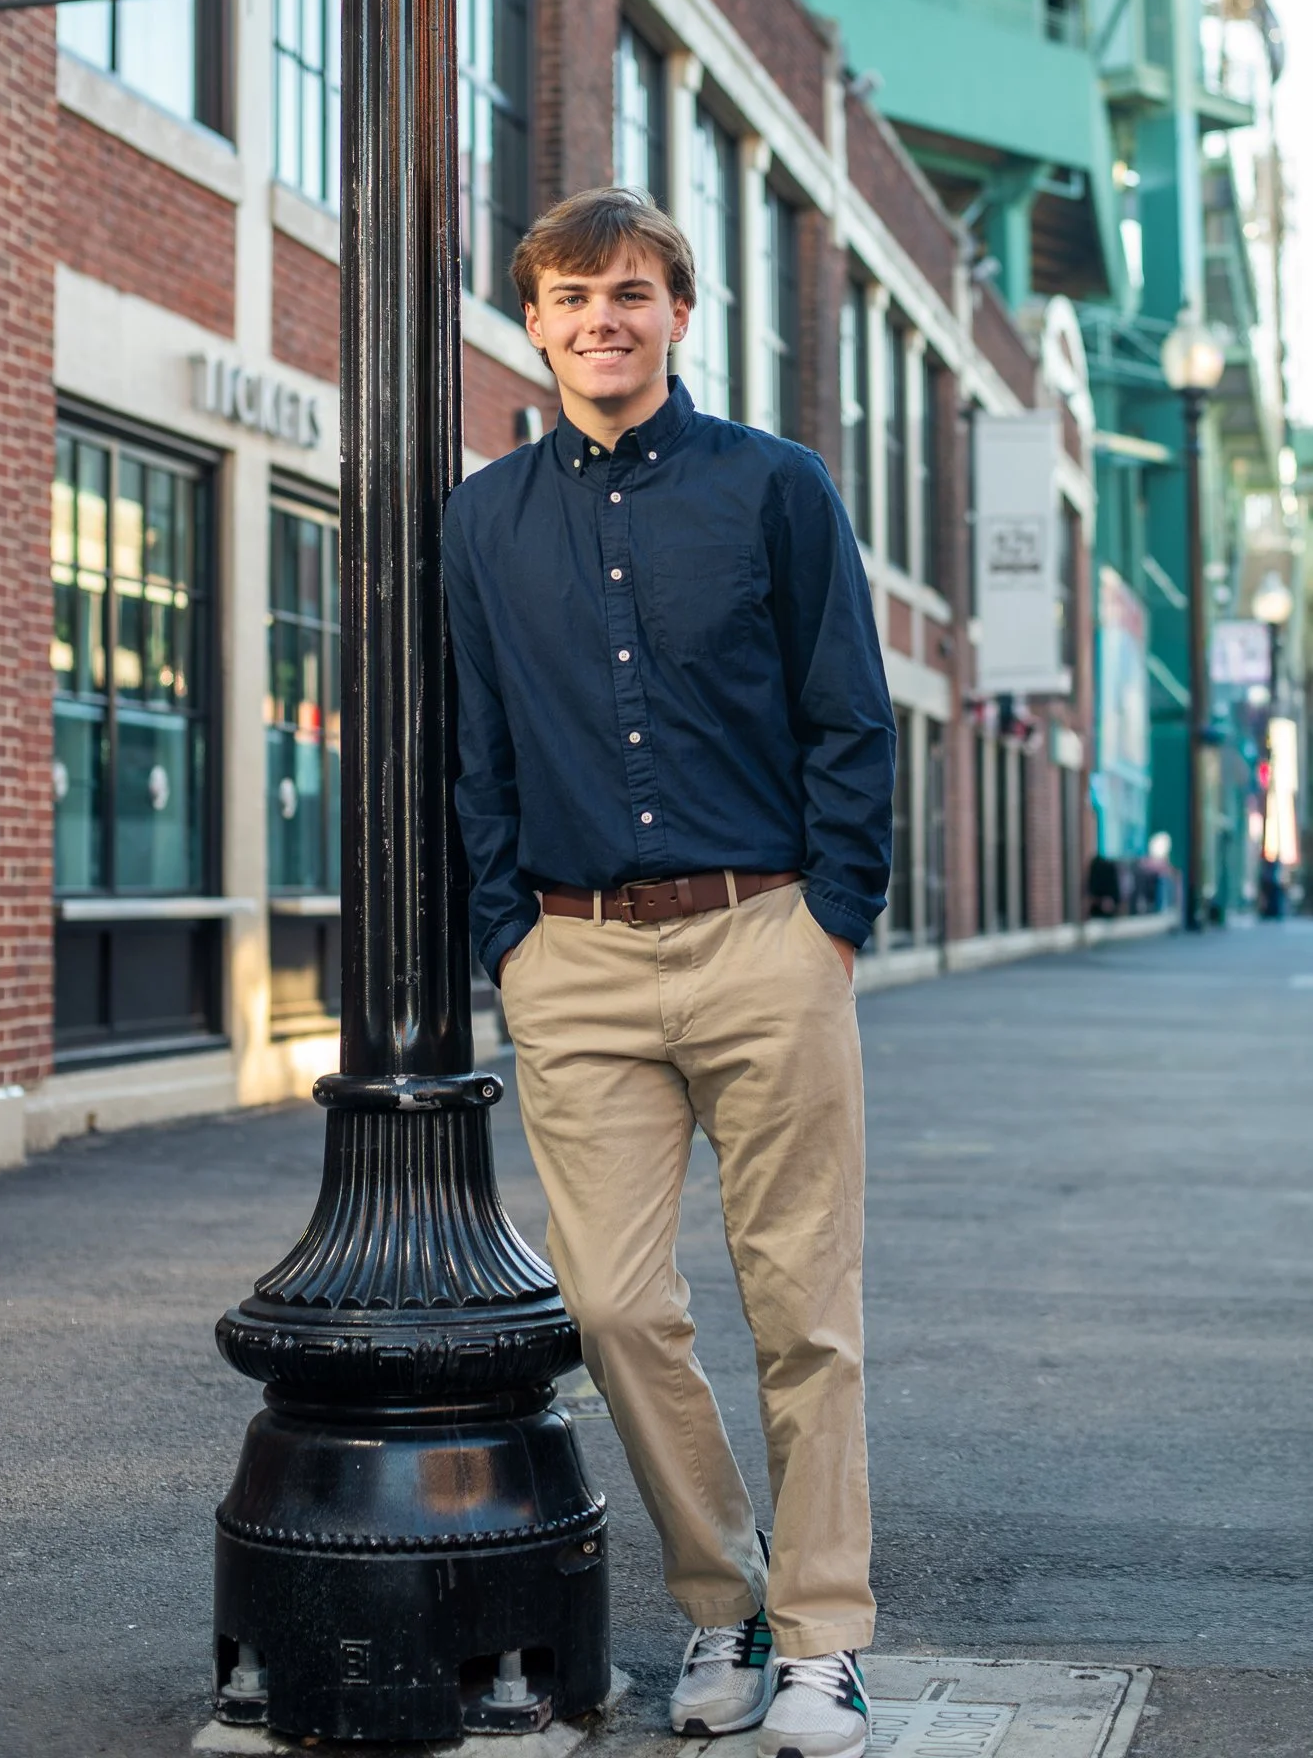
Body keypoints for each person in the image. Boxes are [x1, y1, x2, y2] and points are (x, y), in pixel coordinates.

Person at [441, 188, 895, 1758]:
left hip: (769, 935)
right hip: (575, 959)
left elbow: (850, 711)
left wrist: (835, 912)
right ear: (537, 322)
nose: (599, 321)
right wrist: (510, 935)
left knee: (802, 1309)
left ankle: (828, 1637)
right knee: (618, 1308)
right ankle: (728, 1599)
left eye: (628, 292)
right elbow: (477, 752)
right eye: (568, 298)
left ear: (679, 311)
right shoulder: (483, 518)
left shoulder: (776, 487)